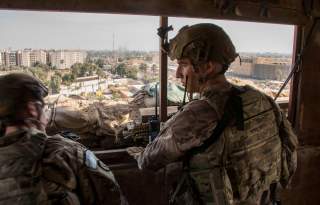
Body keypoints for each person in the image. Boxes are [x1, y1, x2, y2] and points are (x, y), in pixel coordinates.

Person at [127, 23, 298, 205]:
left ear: (207, 67)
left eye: (183, 65)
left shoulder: (200, 113)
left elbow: (149, 160)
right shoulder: (263, 100)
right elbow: (290, 154)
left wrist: (139, 153)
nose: (178, 74)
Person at [0, 73, 127, 205]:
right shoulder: (63, 152)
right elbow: (112, 197)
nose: (46, 118)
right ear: (32, 110)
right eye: (44, 109)